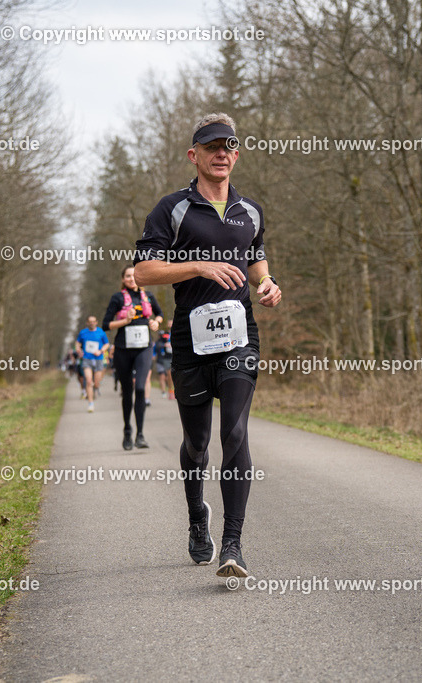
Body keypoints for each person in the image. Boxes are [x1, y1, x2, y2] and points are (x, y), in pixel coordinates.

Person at [134, 112, 282, 579]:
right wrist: (198, 266)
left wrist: (267, 283)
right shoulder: (172, 209)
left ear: (236, 154)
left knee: (234, 432)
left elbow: (254, 255)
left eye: (229, 146)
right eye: (211, 147)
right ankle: (199, 513)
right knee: (197, 442)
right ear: (193, 155)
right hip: (190, 340)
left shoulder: (250, 210)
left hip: (240, 334)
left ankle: (234, 544)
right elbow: (144, 272)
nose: (221, 154)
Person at [102, 265, 163, 450]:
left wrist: (155, 322)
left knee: (140, 388)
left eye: (134, 275)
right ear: (123, 279)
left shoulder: (149, 296)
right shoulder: (118, 298)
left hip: (144, 348)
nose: (131, 279)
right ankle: (128, 430)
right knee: (127, 391)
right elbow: (106, 324)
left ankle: (141, 434)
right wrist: (125, 321)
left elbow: (159, 314)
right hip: (123, 349)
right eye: (128, 276)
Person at [76, 315, 110, 413]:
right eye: (90, 321)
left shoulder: (101, 332)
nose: (92, 323)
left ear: (96, 322)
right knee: (89, 380)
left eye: (93, 321)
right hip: (87, 359)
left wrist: (101, 351)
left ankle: (96, 388)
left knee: (96, 381)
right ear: (87, 323)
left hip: (98, 358)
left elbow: (106, 344)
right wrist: (78, 350)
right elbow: (77, 343)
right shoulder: (83, 333)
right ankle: (90, 403)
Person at [154, 319, 174, 399]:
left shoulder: (178, 332)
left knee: (173, 375)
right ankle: (170, 391)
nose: (170, 325)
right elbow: (158, 343)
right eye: (169, 323)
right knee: (169, 374)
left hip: (175, 356)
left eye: (171, 323)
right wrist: (165, 344)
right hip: (166, 357)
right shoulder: (165, 334)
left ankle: (173, 391)